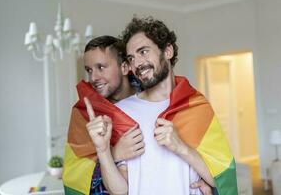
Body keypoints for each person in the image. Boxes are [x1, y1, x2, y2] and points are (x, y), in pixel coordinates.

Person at [84, 17, 238, 195]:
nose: (138, 63)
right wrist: (103, 151)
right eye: (131, 58)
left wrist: (181, 147)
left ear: (167, 51)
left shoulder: (196, 106)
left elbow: (221, 177)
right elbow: (119, 190)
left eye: (143, 52)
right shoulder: (122, 111)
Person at [63, 35, 212, 194]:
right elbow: (77, 177)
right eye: (89, 70)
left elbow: (206, 156)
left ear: (125, 67)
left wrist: (200, 176)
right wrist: (113, 154)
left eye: (101, 67)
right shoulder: (86, 113)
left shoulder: (163, 96)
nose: (93, 78)